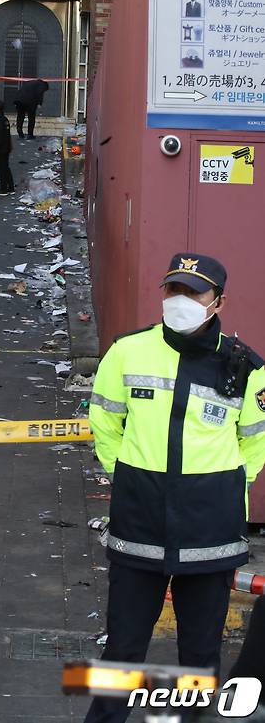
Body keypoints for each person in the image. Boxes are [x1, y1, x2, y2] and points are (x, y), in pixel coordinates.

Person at [85, 252, 265, 723]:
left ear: (217, 301)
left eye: (194, 292)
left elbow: (255, 442)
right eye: (174, 289)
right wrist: (126, 474)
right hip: (139, 521)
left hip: (210, 532)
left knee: (201, 653)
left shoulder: (245, 367)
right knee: (123, 645)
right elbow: (104, 421)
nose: (180, 300)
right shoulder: (128, 351)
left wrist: (225, 488)